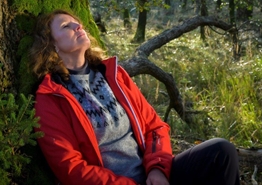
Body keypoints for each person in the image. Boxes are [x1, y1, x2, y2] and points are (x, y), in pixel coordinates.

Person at [30, 9, 240, 185]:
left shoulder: (114, 75)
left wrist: (157, 169)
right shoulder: (51, 97)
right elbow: (71, 168)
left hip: (153, 176)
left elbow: (154, 127)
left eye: (77, 23)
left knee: (220, 152)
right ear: (52, 46)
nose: (78, 27)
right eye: (66, 26)